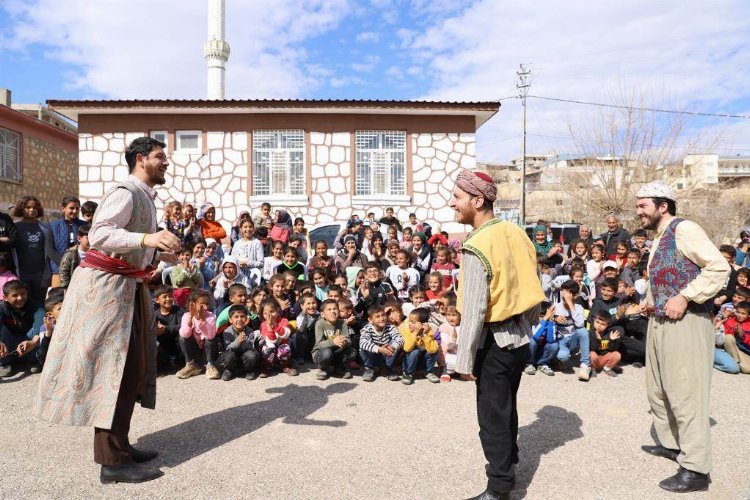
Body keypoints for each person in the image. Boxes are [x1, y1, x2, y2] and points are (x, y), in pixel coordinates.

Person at [35, 136, 181, 484]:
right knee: (112, 372)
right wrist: (148, 240)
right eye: (161, 156)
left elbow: (128, 244)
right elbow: (100, 235)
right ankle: (112, 462)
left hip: (126, 287)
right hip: (107, 292)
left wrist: (156, 254)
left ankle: (122, 445)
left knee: (130, 369)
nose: (166, 162)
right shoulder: (124, 193)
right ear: (141, 159)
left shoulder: (144, 197)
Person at [449, 169, 544, 500]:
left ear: (478, 200)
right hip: (518, 338)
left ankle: (500, 487)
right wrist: (526, 324)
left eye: (457, 197)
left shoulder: (476, 244)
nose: (452, 204)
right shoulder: (516, 232)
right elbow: (534, 285)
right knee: (506, 406)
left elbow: (474, 310)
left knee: (491, 416)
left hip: (494, 341)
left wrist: (463, 360)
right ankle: (510, 464)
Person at [636, 180, 730, 493]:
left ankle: (696, 469)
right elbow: (667, 276)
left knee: (687, 393)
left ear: (663, 206)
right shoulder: (660, 236)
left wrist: (686, 296)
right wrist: (652, 301)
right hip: (661, 321)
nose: (639, 211)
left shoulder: (685, 229)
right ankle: (672, 443)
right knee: (659, 389)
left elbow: (718, 268)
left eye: (643, 205)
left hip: (688, 322)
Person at [12, 196, 58, 303]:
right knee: (23, 303)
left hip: (41, 274)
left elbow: (50, 249)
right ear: (21, 208)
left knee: (39, 303)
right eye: (28, 207)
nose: (32, 210)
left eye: (35, 207)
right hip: (21, 273)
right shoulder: (15, 227)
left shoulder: (45, 227)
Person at [0, 280, 45, 377]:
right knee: (2, 330)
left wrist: (33, 341)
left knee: (43, 326)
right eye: (15, 295)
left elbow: (40, 319)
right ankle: (4, 363)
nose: (20, 298)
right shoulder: (1, 307)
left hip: (28, 342)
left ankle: (33, 360)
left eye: (23, 294)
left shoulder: (35, 305)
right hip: (9, 344)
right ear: (5, 298)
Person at [177, 289, 219, 380]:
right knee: (182, 338)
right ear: (193, 305)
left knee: (211, 339)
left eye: (207, 304)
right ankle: (191, 365)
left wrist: (203, 321)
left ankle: (210, 365)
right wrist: (191, 319)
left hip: (207, 353)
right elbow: (185, 335)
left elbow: (210, 336)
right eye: (202, 304)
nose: (205, 307)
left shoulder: (211, 316)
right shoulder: (186, 316)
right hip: (195, 352)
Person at [312, 299, 355, 380]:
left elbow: (349, 340)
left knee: (352, 352)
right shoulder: (320, 324)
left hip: (336, 352)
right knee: (327, 352)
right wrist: (333, 342)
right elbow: (319, 344)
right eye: (329, 309)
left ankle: (339, 368)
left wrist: (344, 341)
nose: (333, 311)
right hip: (321, 353)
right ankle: (323, 369)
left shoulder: (342, 323)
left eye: (335, 309)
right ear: (322, 314)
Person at [359, 305, 403, 382]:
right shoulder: (367, 329)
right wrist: (379, 349)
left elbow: (400, 339)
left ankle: (387, 369)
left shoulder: (391, 327)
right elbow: (363, 342)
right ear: (370, 319)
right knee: (364, 345)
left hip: (387, 355)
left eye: (383, 315)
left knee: (395, 343)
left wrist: (392, 347)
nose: (381, 319)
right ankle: (370, 369)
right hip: (374, 355)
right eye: (377, 316)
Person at [49, 196, 86, 285]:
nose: (75, 211)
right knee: (58, 297)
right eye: (71, 208)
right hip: (58, 270)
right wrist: (64, 264)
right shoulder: (53, 225)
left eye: (77, 209)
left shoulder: (84, 226)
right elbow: (50, 249)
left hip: (80, 269)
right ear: (63, 209)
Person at [219, 304, 261, 381]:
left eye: (242, 316)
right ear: (230, 320)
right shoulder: (227, 332)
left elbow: (251, 347)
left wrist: (244, 341)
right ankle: (229, 370)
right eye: (236, 317)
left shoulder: (250, 331)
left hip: (245, 355)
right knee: (228, 355)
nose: (239, 319)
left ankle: (249, 371)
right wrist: (237, 341)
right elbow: (227, 347)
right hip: (233, 355)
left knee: (251, 355)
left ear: (246, 318)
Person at [399, 307, 440, 385]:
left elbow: (433, 350)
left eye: (413, 322)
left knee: (434, 349)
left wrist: (425, 334)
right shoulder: (406, 330)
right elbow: (407, 349)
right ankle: (408, 373)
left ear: (423, 324)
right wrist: (415, 333)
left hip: (421, 361)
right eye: (409, 321)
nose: (409, 324)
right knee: (415, 351)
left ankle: (428, 371)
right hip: (409, 360)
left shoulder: (428, 331)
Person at [588, 311, 623, 377]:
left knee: (617, 355)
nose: (599, 325)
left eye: (603, 324)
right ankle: (592, 369)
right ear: (594, 320)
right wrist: (598, 340)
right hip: (594, 360)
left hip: (604, 359)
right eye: (597, 322)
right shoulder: (591, 333)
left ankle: (607, 368)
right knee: (592, 354)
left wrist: (612, 340)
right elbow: (592, 349)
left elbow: (611, 349)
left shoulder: (609, 334)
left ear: (608, 325)